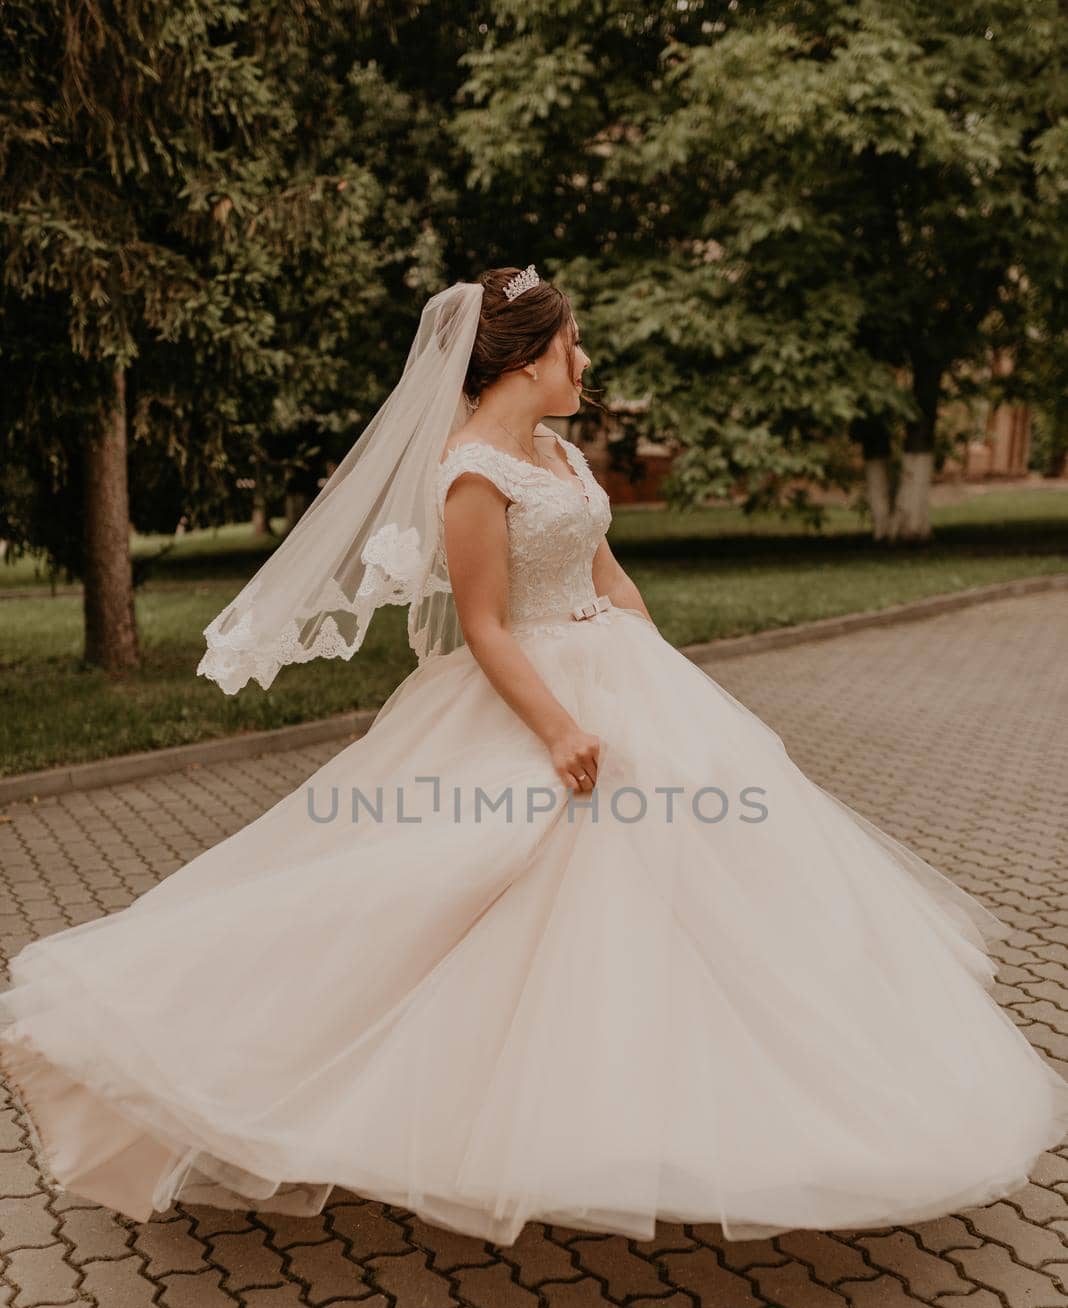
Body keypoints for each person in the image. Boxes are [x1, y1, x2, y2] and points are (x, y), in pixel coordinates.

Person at [2, 265, 1067, 1248]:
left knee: (715, 890)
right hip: (528, 694)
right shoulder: (470, 472)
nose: (586, 363)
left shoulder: (557, 453)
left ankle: (692, 1108)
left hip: (627, 677)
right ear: (525, 357)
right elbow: (486, 626)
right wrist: (558, 726)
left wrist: (662, 673)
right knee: (444, 887)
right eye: (574, 346)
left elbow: (606, 570)